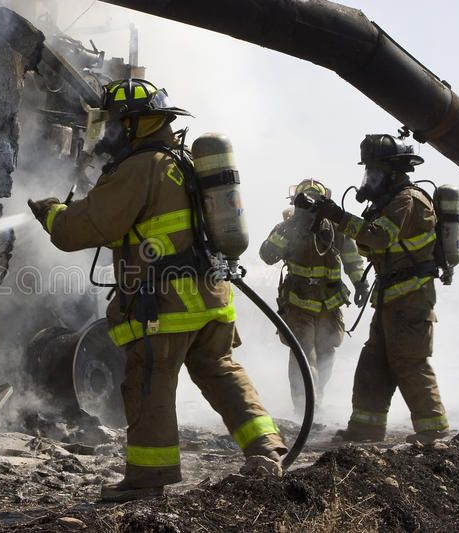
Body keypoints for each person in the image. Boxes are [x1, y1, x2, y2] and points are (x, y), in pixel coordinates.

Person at [28, 79, 287, 502]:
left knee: (148, 382)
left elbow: (85, 228)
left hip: (166, 306)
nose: (107, 134)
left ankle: (148, 478)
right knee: (221, 372)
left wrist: (52, 213)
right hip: (213, 299)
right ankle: (266, 449)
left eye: (112, 124)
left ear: (135, 125)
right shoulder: (181, 162)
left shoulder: (140, 167)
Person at [294, 134, 449, 444]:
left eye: (375, 171)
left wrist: (338, 217)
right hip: (392, 300)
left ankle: (434, 434)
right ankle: (366, 430)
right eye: (368, 171)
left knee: (409, 362)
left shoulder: (409, 201)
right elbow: (368, 244)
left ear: (393, 171)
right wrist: (333, 219)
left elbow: (377, 238)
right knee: (373, 364)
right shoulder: (389, 202)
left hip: (411, 300)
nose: (369, 178)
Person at [259, 179, 368, 414]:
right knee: (303, 354)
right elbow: (268, 255)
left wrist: (360, 282)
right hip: (298, 304)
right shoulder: (287, 227)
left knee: (327, 352)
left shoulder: (336, 228)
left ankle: (316, 399)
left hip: (329, 305)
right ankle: (307, 410)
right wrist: (292, 226)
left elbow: (352, 258)